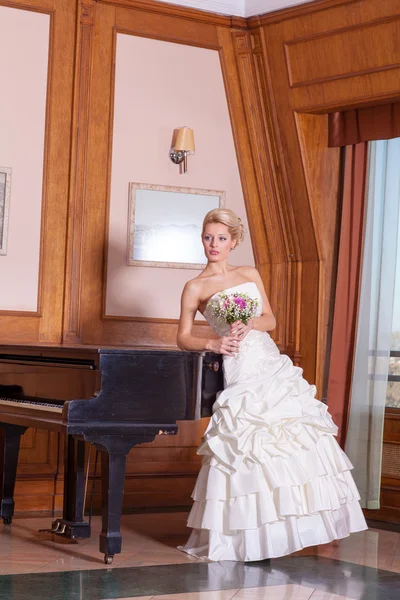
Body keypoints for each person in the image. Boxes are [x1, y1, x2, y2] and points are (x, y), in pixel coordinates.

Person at [176, 207, 367, 562]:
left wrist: (249, 322)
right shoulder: (195, 287)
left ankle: (317, 532)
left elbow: (271, 318)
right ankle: (253, 536)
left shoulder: (248, 273)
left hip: (269, 363)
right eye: (207, 237)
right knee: (245, 445)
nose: (213, 244)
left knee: (298, 439)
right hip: (238, 368)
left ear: (233, 242)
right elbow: (182, 337)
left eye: (221, 238)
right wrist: (213, 344)